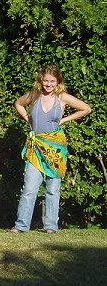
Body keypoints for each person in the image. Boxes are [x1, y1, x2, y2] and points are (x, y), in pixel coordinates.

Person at [10, 64, 91, 234]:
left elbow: (86, 109)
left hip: (55, 148)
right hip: (36, 147)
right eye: (45, 81)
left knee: (53, 189)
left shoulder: (62, 97)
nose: (48, 84)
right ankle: (21, 225)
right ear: (41, 80)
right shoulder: (35, 95)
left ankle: (51, 227)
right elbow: (18, 104)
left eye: (52, 81)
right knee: (29, 188)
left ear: (58, 82)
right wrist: (29, 120)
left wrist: (64, 120)